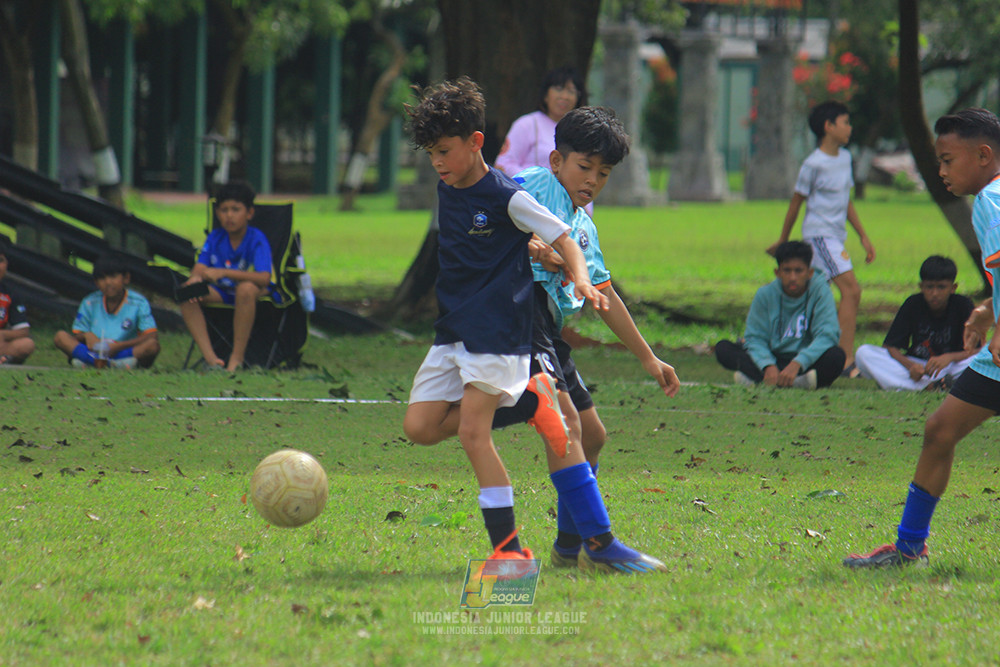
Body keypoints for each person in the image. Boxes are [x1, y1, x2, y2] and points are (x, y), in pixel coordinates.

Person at [400, 77, 610, 569]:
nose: (437, 162)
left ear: (475, 142)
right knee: (421, 426)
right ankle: (531, 402)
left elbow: (564, 238)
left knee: (474, 436)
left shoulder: (506, 195)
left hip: (497, 331)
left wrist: (581, 280)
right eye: (431, 153)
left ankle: (510, 552)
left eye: (445, 151)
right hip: (453, 330)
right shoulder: (447, 185)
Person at [494, 105, 680, 572]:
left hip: (547, 330)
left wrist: (649, 358)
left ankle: (567, 548)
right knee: (564, 424)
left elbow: (604, 295)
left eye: (604, 173)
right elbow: (491, 221)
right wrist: (529, 245)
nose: (592, 180)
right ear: (557, 161)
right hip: (518, 312)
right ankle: (600, 544)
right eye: (585, 167)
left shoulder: (583, 226)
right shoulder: (537, 184)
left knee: (592, 435)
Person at [843, 108, 1000, 569]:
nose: (942, 171)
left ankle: (909, 548)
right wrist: (986, 311)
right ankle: (909, 547)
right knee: (939, 431)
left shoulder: (990, 200)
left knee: (939, 432)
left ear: (984, 155)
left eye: (948, 160)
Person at [767, 100, 876, 377]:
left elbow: (845, 200)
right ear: (828, 127)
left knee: (814, 296)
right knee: (852, 291)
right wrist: (783, 241)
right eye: (845, 122)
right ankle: (845, 359)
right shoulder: (813, 164)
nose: (849, 128)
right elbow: (796, 203)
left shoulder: (845, 158)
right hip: (820, 237)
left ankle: (795, 352)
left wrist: (863, 236)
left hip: (835, 237)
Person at [716, 240, 845, 389]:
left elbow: (827, 335)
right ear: (777, 273)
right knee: (723, 349)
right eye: (787, 270)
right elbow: (755, 338)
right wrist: (767, 365)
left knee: (836, 356)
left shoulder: (820, 292)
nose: (793, 277)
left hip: (806, 361)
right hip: (773, 358)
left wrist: (798, 363)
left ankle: (760, 381)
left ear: (809, 273)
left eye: (798, 271)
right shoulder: (765, 294)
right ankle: (798, 382)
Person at [180, 181, 273, 372]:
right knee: (187, 293)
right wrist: (195, 278)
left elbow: (264, 278)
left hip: (253, 292)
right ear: (217, 213)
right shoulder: (215, 237)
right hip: (223, 291)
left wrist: (224, 272)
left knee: (245, 289)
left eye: (235, 209)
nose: (229, 215)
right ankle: (212, 360)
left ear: (249, 213)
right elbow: (200, 266)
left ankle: (236, 358)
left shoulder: (257, 239)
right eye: (224, 210)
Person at [855, 255, 978, 391]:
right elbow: (890, 347)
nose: (935, 293)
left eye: (941, 287)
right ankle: (931, 386)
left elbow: (977, 348)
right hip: (918, 365)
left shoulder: (963, 305)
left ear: (953, 288)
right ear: (921, 287)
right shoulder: (913, 304)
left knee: (987, 354)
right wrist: (911, 366)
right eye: (929, 287)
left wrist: (949, 357)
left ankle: (909, 385)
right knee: (863, 353)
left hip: (951, 365)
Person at [495, 66, 590, 216]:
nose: (564, 96)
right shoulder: (528, 124)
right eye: (559, 89)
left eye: (571, 91)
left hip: (565, 213)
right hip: (528, 207)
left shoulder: (582, 132)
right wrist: (539, 183)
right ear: (546, 94)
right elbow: (503, 164)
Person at [53, 254, 159, 369]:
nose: (108, 282)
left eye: (113, 276)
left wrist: (117, 347)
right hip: (94, 352)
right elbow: (77, 335)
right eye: (102, 278)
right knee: (60, 337)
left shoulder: (138, 302)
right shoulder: (89, 302)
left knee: (152, 346)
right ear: (96, 282)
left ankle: (90, 363)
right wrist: (86, 336)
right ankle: (111, 365)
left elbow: (152, 335)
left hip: (123, 351)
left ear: (126, 278)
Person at [0, 242, 35, 365]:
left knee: (27, 344)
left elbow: (23, 331)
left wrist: (3, 334)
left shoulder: (10, 294)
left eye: (1, 261)